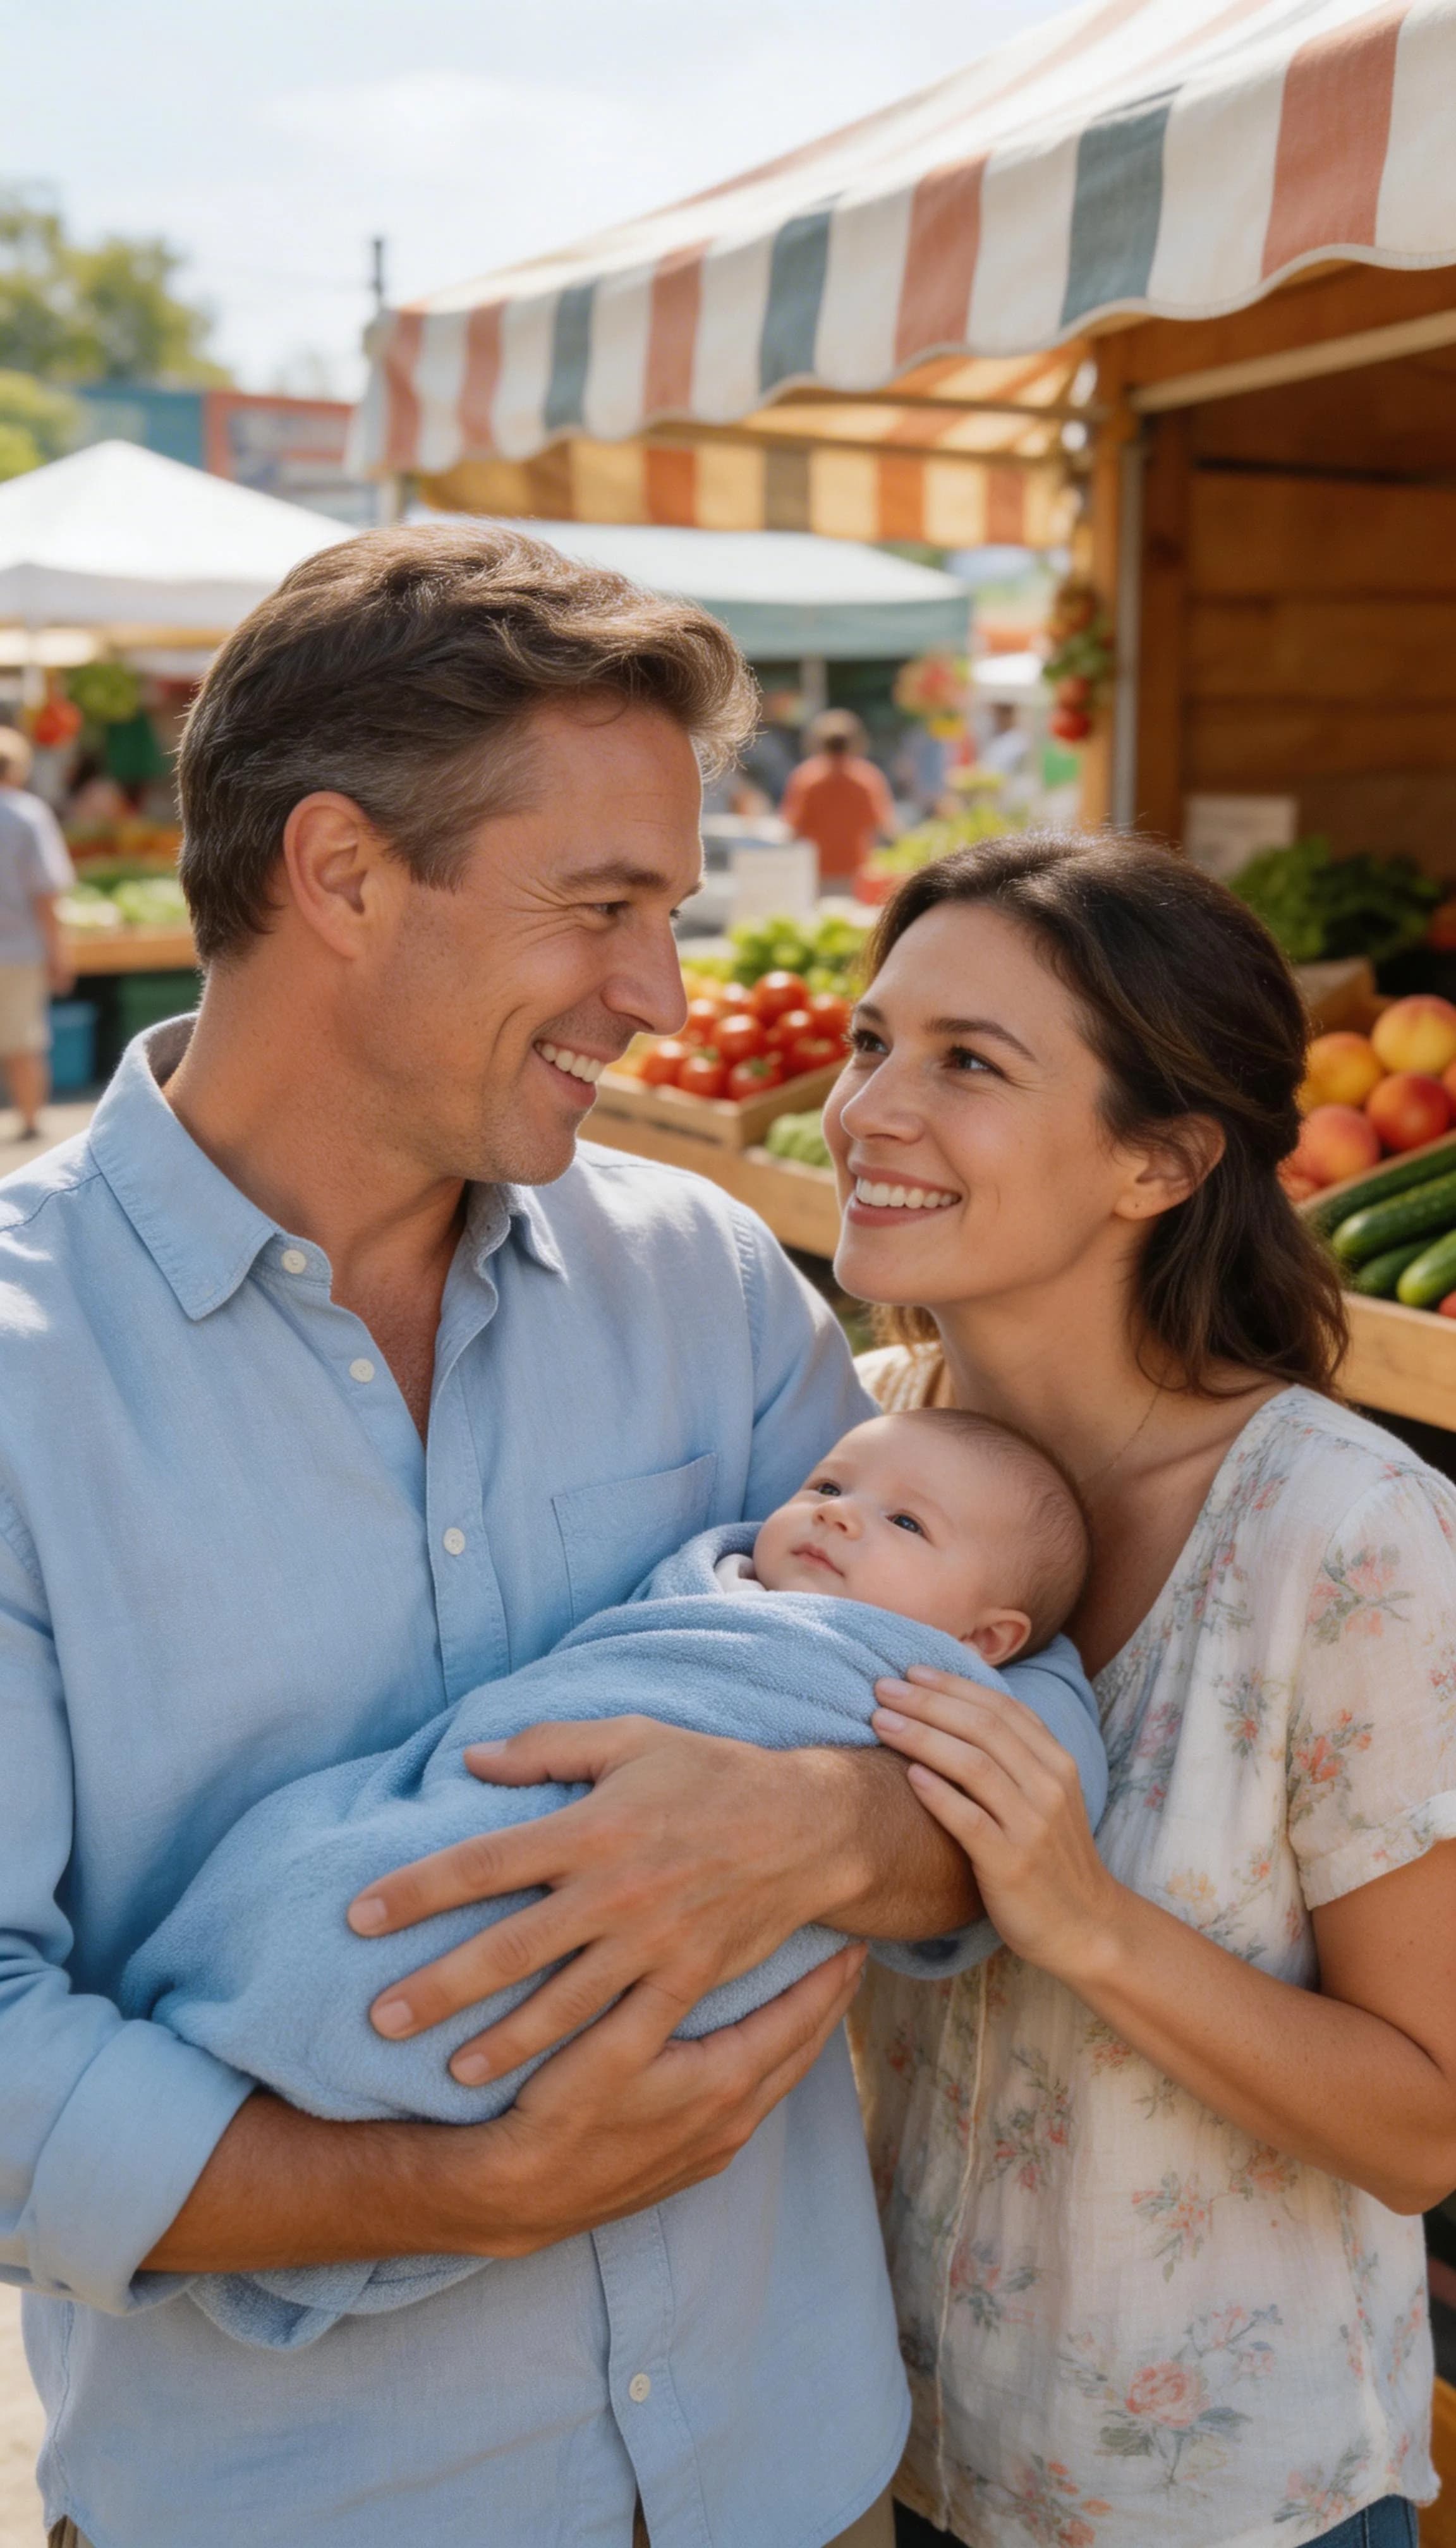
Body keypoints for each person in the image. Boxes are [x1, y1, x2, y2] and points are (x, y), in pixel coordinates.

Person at [1, 524, 1003, 2548]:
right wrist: (452, 2195)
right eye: (605, 908)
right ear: (344, 874)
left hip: (792, 2478)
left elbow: (970, 1742)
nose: (662, 993)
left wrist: (834, 1835)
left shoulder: (711, 1279)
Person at [825, 834, 1456, 2548]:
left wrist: (1084, 1918)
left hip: (1225, 2510)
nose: (870, 1106)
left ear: (1161, 1163)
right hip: (863, 2465)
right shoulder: (839, 1444)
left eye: (969, 1063)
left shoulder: (1344, 1529)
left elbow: (1424, 2130)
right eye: (873, 1040)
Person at [122, 1408, 1105, 2348]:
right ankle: (272, 1978)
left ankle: (314, 2020)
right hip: (474, 1804)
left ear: (986, 1643)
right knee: (343, 1875)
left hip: (761, 2392)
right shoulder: (699, 1595)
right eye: (829, 1484)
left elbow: (1036, 1771)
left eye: (904, 1521)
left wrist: (817, 1815)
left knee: (415, 1957)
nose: (839, 1511)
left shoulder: (918, 1680)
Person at [0, 725, 74, 1136]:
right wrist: (59, 952)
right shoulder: (28, 814)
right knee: (23, 1041)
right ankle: (30, 1121)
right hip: (19, 948)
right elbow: (46, 891)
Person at [781, 708, 897, 887]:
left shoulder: (806, 778)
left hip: (816, 872)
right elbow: (885, 827)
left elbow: (793, 829)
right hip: (857, 872)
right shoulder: (867, 778)